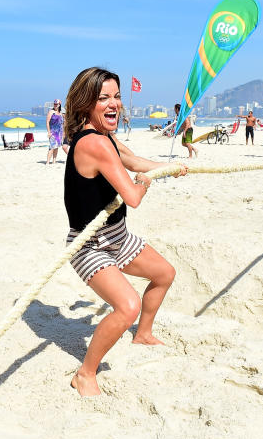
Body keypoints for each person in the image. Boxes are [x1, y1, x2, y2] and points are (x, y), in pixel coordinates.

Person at [63, 67, 188, 397]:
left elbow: (133, 162)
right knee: (127, 306)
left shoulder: (107, 138)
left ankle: (143, 334)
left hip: (116, 236)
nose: (114, 103)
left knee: (164, 274)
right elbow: (132, 196)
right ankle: (85, 374)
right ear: (86, 104)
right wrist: (149, 181)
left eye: (116, 96)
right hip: (89, 246)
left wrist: (166, 168)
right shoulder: (94, 144)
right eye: (103, 98)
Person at [46, 99, 65, 164]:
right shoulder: (51, 112)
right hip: (53, 132)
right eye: (54, 104)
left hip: (60, 133)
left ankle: (54, 161)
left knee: (56, 147)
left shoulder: (61, 113)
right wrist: (49, 132)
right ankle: (47, 162)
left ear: (59, 105)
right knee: (52, 147)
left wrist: (63, 134)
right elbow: (47, 122)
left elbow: (62, 124)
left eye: (56, 104)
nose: (55, 105)